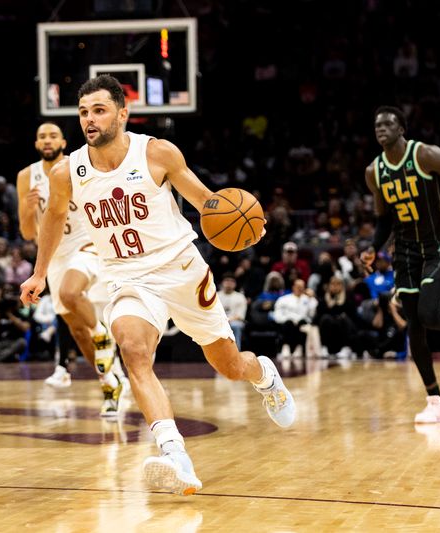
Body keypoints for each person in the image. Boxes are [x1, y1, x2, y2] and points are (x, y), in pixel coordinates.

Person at [20, 75, 295, 496]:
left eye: (99, 110)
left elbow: (208, 202)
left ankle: (264, 375)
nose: (89, 120)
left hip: (180, 268)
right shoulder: (67, 171)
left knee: (229, 365)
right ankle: (174, 454)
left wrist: (250, 226)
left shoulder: (157, 152)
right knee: (133, 351)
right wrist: (40, 272)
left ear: (122, 113)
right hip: (126, 276)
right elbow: (54, 219)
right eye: (83, 112)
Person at [16, 121, 124, 416]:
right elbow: (28, 232)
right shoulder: (26, 176)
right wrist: (29, 206)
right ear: (37, 144)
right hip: (54, 255)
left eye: (53, 135)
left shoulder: (77, 165)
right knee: (76, 330)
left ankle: (101, 332)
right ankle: (109, 381)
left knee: (71, 293)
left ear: (63, 141)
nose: (47, 140)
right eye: (42, 136)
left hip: (85, 243)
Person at [361, 105, 440, 423]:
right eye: (377, 125)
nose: (381, 128)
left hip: (436, 246)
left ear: (402, 128)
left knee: (428, 313)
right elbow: (382, 219)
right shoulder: (374, 172)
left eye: (388, 123)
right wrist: (373, 249)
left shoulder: (425, 155)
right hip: (403, 250)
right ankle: (436, 402)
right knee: (414, 326)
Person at [217, 272, 247, 350]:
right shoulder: (215, 296)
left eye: (232, 281)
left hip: (235, 321)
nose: (229, 283)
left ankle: (236, 352)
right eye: (227, 280)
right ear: (222, 283)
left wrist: (228, 320)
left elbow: (240, 316)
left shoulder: (240, 297)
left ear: (235, 284)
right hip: (218, 321)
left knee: (235, 326)